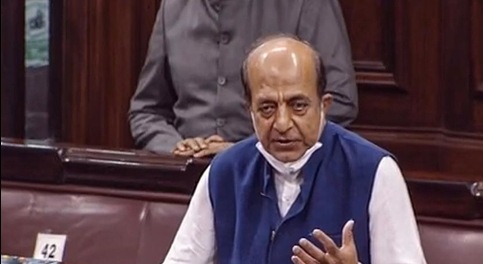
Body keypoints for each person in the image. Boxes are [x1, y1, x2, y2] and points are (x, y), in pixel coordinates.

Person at [129, 36, 437, 264]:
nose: (282, 123)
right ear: (249, 109)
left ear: (324, 105)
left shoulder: (373, 171)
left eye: (298, 105)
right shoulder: (224, 173)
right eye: (267, 108)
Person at [128, 0, 358, 158]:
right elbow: (147, 111)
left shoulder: (305, 4)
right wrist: (175, 147)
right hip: (185, 178)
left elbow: (340, 101)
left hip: (275, 177)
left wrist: (242, 151)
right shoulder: (173, 6)